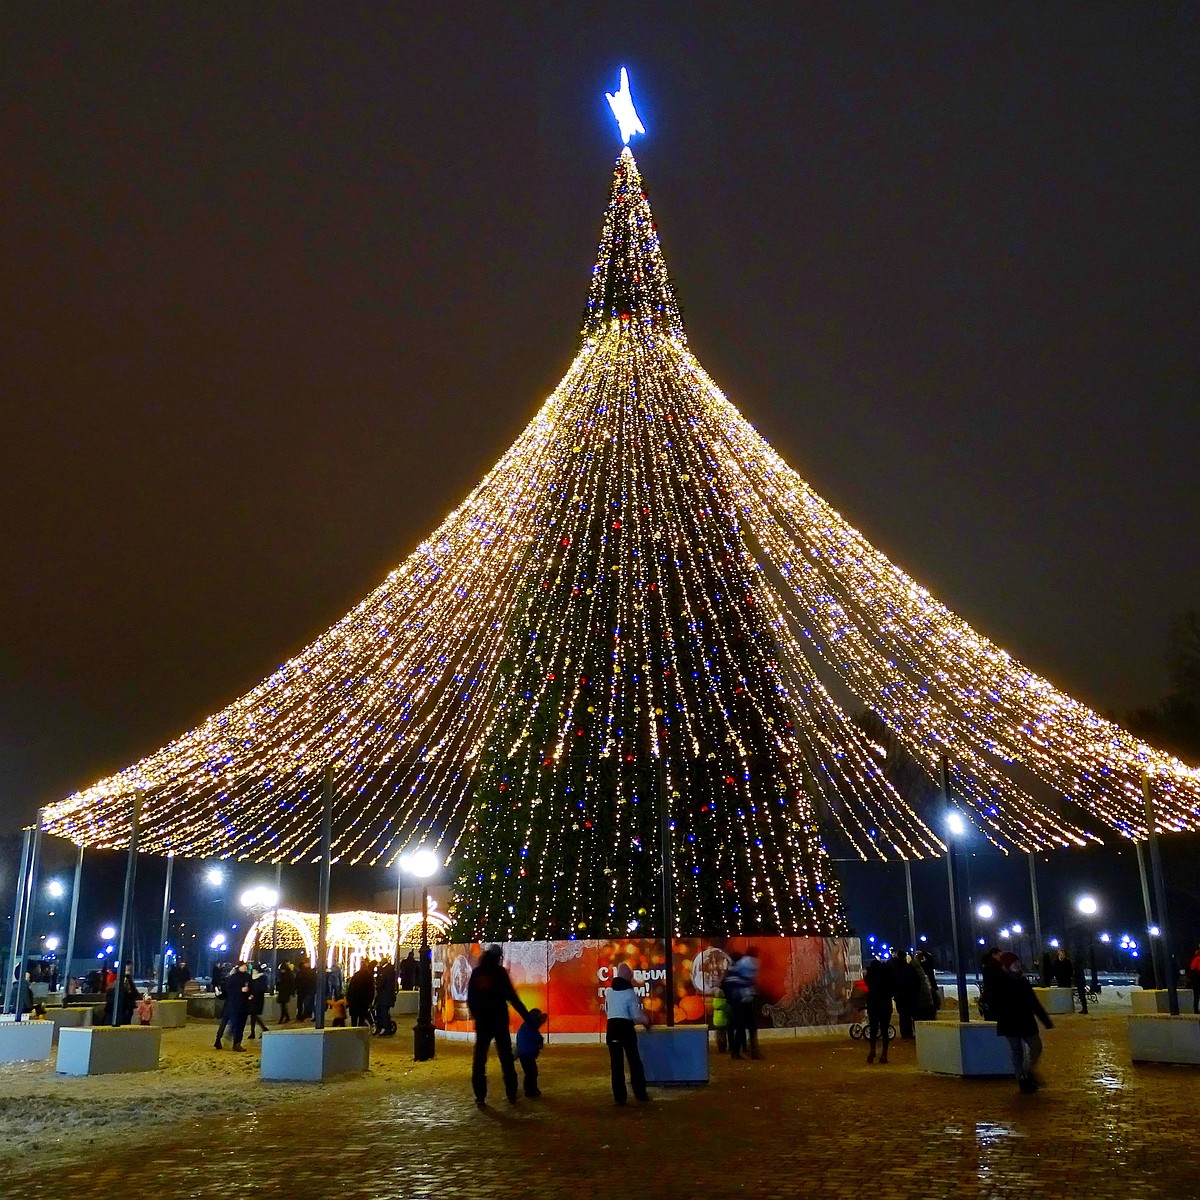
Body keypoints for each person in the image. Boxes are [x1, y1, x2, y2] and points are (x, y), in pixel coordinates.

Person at [467, 944, 530, 1107]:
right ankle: (511, 1093)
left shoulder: (477, 973)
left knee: (479, 1060)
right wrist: (527, 1017)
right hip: (499, 1020)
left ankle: (480, 1095)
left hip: (483, 1022)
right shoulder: (500, 973)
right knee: (506, 1059)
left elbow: (471, 999)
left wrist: (478, 1015)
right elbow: (512, 997)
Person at [990, 950, 1053, 1092]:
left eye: (1018, 962)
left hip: (1026, 1021)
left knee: (1036, 1046)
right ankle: (1022, 1080)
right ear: (1007, 965)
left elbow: (1033, 1002)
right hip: (1010, 1022)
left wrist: (1045, 1020)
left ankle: (1027, 1073)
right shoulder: (1000, 980)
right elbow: (995, 1001)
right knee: (1016, 1052)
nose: (1018, 965)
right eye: (1014, 963)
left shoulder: (1022, 980)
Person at [605, 963, 650, 1104]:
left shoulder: (609, 992)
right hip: (626, 1028)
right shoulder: (630, 993)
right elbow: (635, 1016)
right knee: (634, 1061)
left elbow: (609, 1011)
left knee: (616, 1064)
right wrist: (646, 1021)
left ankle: (619, 1097)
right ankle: (640, 1093)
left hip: (611, 1028)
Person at [726, 947, 762, 1060]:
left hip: (738, 1000)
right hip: (744, 1000)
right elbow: (749, 980)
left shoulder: (736, 966)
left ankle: (736, 1052)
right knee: (751, 1027)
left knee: (740, 1028)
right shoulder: (750, 963)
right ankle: (753, 1052)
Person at [214, 962, 251, 1051]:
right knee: (232, 1024)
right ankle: (221, 1040)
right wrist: (240, 990)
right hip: (232, 1004)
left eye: (245, 966)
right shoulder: (233, 978)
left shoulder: (247, 977)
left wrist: (250, 993)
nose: (245, 967)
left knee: (234, 1024)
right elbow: (229, 990)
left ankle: (233, 1042)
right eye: (243, 966)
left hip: (240, 1004)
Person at [863, 954, 893, 1065]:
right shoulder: (887, 975)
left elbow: (864, 986)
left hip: (873, 1004)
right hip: (885, 1004)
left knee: (873, 1029)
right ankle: (884, 1054)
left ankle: (872, 1051)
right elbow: (892, 988)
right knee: (885, 1030)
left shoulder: (870, 976)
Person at [515, 1008, 547, 1098]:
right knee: (531, 1072)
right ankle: (530, 1091)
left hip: (524, 1053)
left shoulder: (526, 1026)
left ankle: (531, 1089)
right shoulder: (530, 1026)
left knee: (530, 1072)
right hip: (527, 1054)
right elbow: (536, 1037)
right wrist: (540, 1041)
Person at [890, 948, 920, 1038]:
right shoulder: (909, 968)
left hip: (900, 996)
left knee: (903, 1015)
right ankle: (912, 1033)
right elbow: (917, 981)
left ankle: (905, 1033)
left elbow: (892, 982)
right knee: (912, 1014)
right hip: (910, 995)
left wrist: (894, 993)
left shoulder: (894, 968)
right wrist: (915, 991)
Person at [346, 960, 375, 1028]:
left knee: (354, 1019)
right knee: (361, 1019)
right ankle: (359, 1033)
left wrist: (349, 999)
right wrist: (370, 1001)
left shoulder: (355, 975)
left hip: (354, 1001)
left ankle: (353, 1032)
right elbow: (371, 990)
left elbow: (350, 988)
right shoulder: (369, 977)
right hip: (363, 1002)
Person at [374, 959, 397, 1034]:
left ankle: (385, 1027)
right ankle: (386, 1026)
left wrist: (376, 985)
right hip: (388, 996)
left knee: (382, 1011)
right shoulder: (391, 970)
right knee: (385, 1012)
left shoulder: (384, 971)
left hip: (384, 996)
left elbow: (381, 983)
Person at [247, 967, 269, 1039]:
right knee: (253, 1015)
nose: (253, 971)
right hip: (252, 999)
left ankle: (263, 1029)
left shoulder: (262, 978)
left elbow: (262, 989)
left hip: (258, 999)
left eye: (254, 970)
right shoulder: (252, 978)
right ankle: (254, 1032)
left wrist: (253, 994)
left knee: (254, 1015)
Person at [294, 958, 316, 1022]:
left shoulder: (300, 972)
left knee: (303, 1003)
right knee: (307, 1003)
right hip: (307, 989)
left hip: (304, 989)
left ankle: (303, 1014)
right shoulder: (311, 972)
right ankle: (305, 1014)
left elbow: (297, 981)